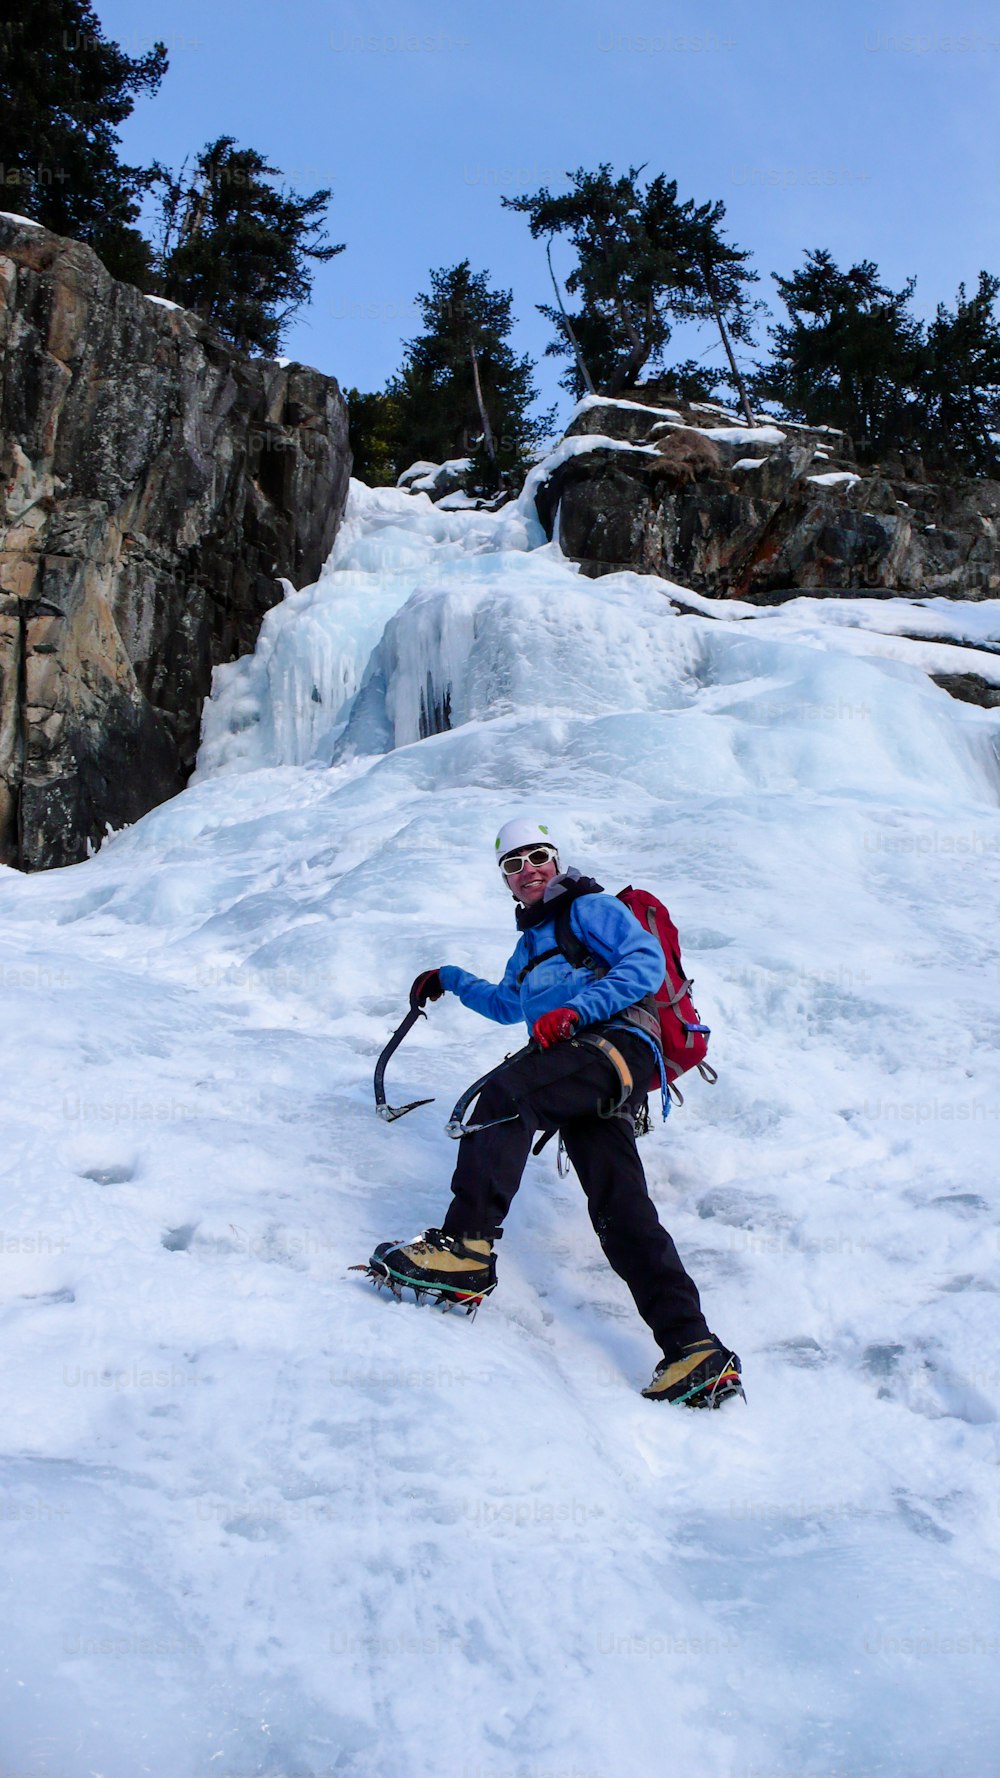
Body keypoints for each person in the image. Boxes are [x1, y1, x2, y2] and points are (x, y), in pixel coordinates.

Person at [368, 819, 742, 1408]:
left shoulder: (590, 909)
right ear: (506, 881)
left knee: (505, 1098)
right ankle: (694, 1349)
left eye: (537, 857)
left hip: (609, 1046)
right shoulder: (530, 945)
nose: (527, 871)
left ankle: (465, 1248)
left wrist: (575, 1011)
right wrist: (447, 979)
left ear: (556, 859)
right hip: (591, 1074)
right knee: (621, 1209)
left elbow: (642, 964)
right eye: (513, 865)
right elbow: (502, 1004)